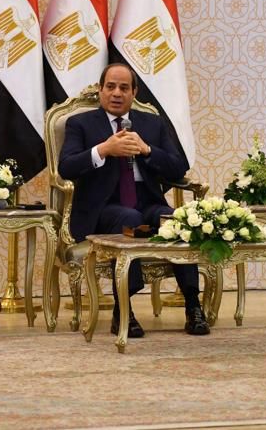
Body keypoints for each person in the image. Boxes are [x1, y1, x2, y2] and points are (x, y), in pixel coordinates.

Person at [58, 63, 209, 337]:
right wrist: (104, 149)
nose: (116, 93)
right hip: (102, 207)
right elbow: (66, 167)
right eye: (110, 87)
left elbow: (178, 167)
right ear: (101, 90)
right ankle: (123, 310)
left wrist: (147, 150)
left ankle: (193, 306)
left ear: (134, 92)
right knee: (130, 219)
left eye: (124, 88)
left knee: (177, 221)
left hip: (146, 200)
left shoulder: (152, 123)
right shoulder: (80, 123)